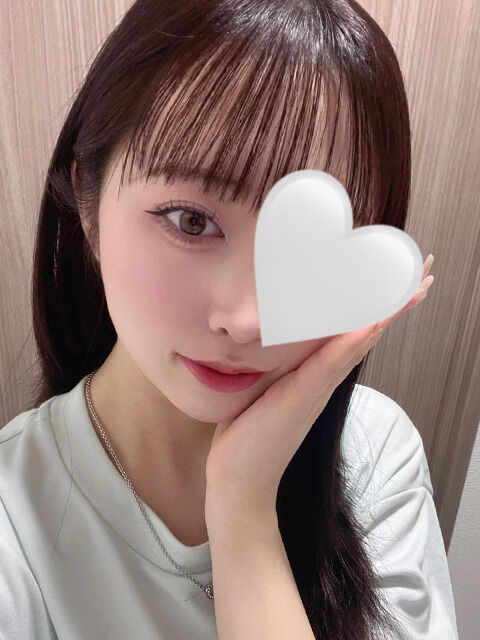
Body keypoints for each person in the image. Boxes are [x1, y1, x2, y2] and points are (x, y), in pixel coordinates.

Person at [0, 0, 459, 638]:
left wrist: (243, 509)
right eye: (191, 220)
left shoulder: (377, 453)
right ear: (87, 202)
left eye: (304, 248)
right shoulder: (15, 524)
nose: (248, 319)